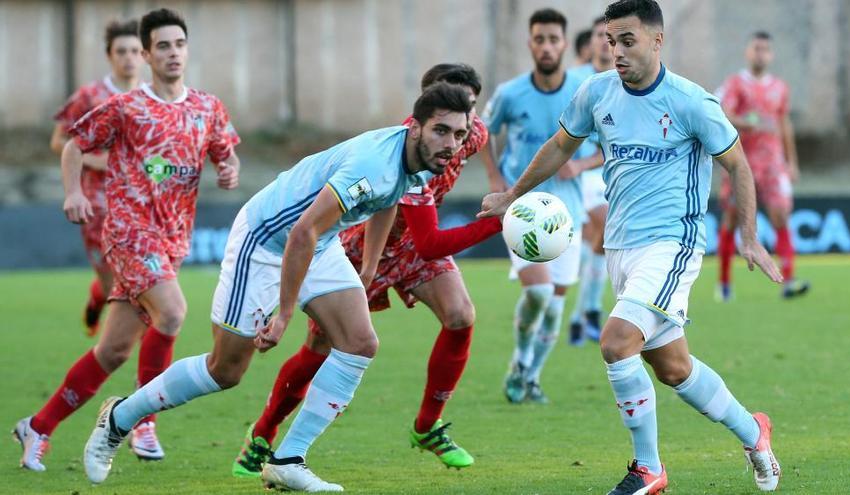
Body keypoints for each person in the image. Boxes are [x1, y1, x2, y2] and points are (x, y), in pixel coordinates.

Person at [82, 82, 474, 492]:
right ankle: (120, 418)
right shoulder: (372, 164)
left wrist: (370, 265)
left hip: (318, 244)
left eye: (459, 134)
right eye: (441, 130)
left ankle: (289, 459)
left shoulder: (416, 162)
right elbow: (301, 231)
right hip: (266, 240)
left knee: (359, 343)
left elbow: (388, 199)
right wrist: (284, 312)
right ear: (415, 128)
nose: (450, 143)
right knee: (225, 370)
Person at [479, 1, 783, 493]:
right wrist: (513, 194)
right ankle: (755, 433)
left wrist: (749, 237)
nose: (615, 51)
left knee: (617, 341)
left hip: (673, 243)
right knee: (673, 368)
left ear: (656, 41)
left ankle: (648, 467)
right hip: (621, 248)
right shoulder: (596, 93)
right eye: (610, 40)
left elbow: (738, 165)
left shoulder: (691, 101)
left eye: (627, 40)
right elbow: (561, 145)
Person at [231, 64, 500, 479]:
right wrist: (499, 221)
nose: (458, 129)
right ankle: (263, 433)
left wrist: (503, 186)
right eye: (444, 120)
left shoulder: (473, 132)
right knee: (322, 351)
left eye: (468, 110)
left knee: (461, 315)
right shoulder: (398, 152)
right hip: (365, 242)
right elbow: (427, 238)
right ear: (420, 118)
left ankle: (427, 426)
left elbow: (482, 150)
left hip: (410, 244)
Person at [14, 8, 241, 471]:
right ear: (145, 54)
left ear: (187, 49)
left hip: (172, 241)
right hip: (129, 234)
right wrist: (74, 191)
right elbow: (75, 142)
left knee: (113, 349)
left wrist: (230, 167)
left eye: (179, 44)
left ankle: (38, 426)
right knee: (174, 311)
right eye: (162, 45)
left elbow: (225, 150)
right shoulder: (126, 107)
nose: (172, 53)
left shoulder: (207, 107)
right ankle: (142, 421)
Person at [482, 8, 595, 404]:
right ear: (530, 44)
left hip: (567, 213)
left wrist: (580, 163)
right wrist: (497, 180)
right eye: (539, 39)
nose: (546, 47)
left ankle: (529, 374)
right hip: (525, 211)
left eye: (553, 39)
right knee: (540, 295)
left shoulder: (582, 93)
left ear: (565, 44)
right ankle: (520, 363)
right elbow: (484, 133)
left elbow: (609, 146)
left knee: (555, 305)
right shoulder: (511, 93)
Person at [50, 19, 142, 337]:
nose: (129, 57)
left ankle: (129, 353)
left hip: (138, 206)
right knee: (111, 286)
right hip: (96, 204)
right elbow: (59, 141)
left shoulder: (148, 98)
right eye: (121, 51)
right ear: (109, 56)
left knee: (144, 287)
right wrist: (99, 161)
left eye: (134, 50)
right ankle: (96, 300)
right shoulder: (90, 96)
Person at [716, 31, 808, 301]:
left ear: (772, 54)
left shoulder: (780, 87)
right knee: (733, 219)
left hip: (773, 163)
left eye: (766, 49)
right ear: (748, 52)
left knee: (780, 214)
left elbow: (784, 124)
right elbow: (723, 114)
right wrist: (746, 122)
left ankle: (788, 281)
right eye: (757, 48)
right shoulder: (735, 84)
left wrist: (792, 162)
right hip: (741, 162)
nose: (761, 53)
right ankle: (724, 284)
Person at [568, 15, 615, 346]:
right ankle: (593, 312)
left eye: (609, 36)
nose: (603, 41)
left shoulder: (622, 83)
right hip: (575, 179)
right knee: (605, 229)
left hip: (604, 174)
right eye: (599, 34)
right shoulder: (574, 80)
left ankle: (578, 318)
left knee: (593, 247)